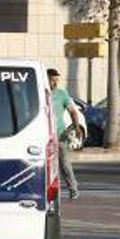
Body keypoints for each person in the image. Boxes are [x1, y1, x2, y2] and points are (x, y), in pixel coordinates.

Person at [47, 68, 85, 200]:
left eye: (57, 80)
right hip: (43, 135)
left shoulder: (62, 94)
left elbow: (73, 111)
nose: (55, 83)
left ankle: (73, 188)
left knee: (64, 163)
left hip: (59, 133)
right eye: (53, 81)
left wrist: (76, 127)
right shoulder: (39, 92)